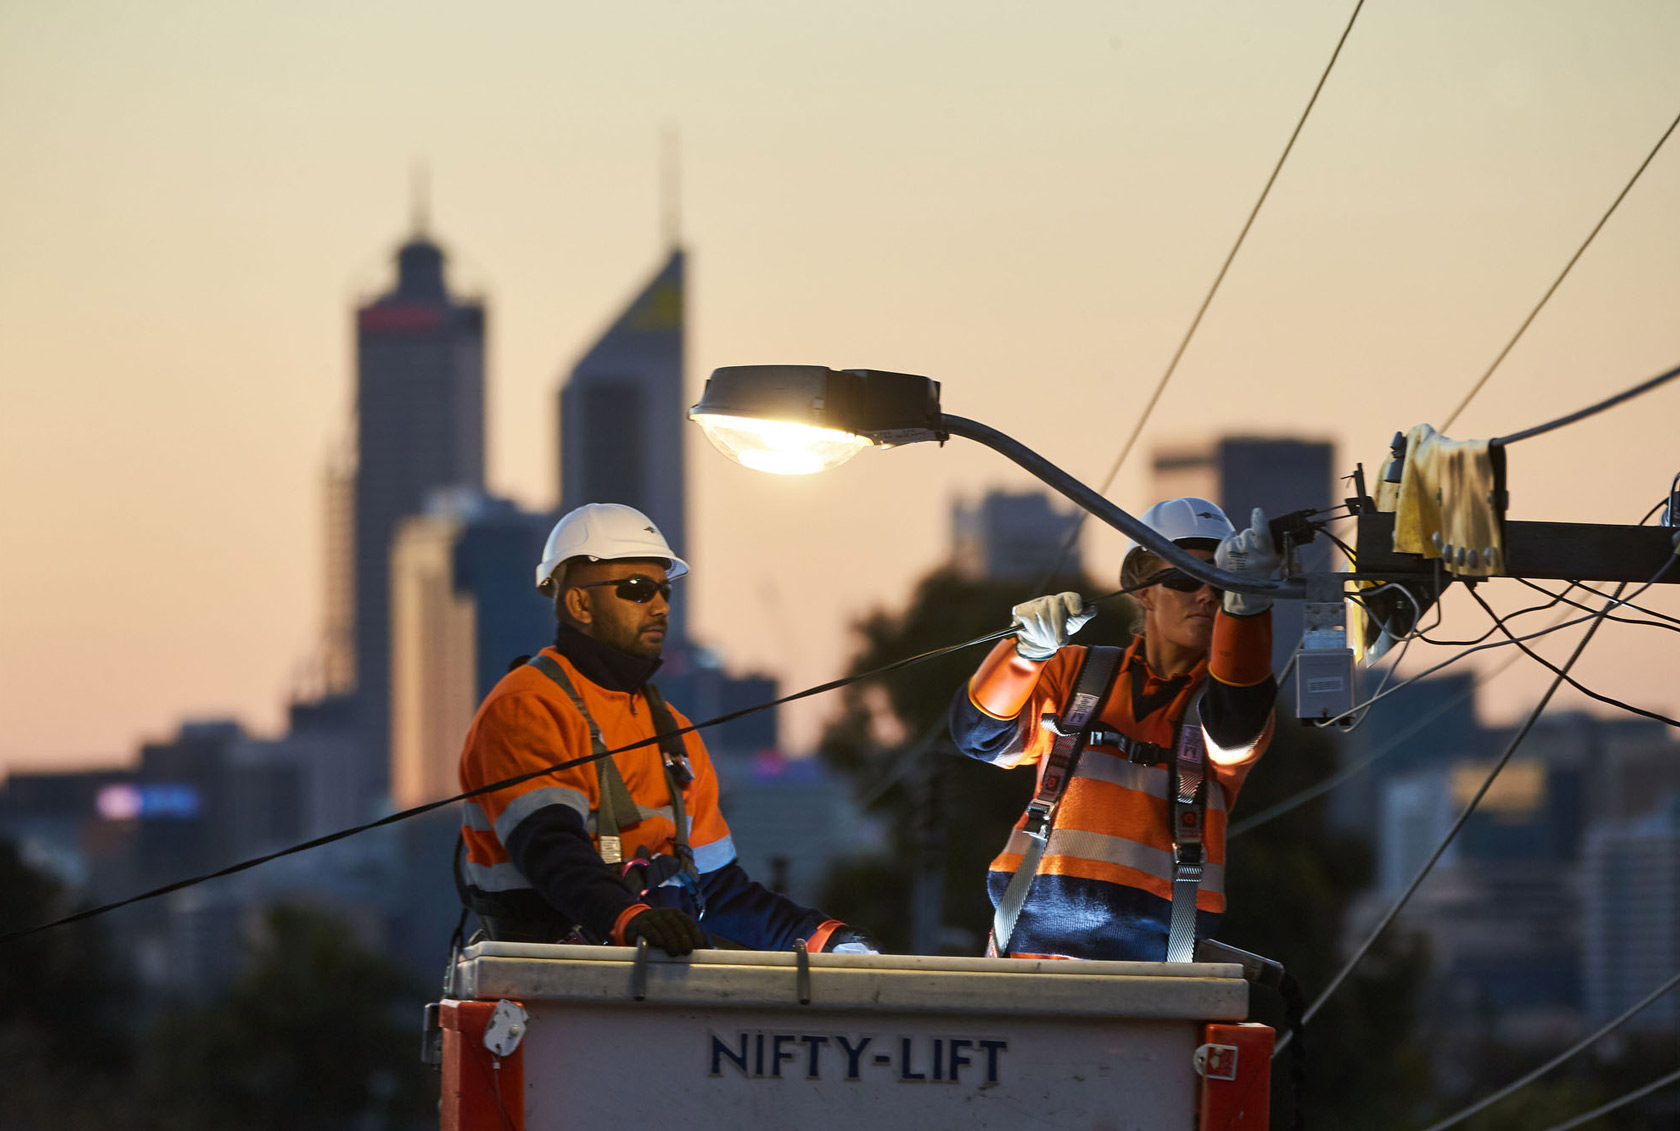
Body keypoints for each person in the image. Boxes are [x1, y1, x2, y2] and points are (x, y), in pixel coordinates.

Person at [457, 502, 876, 957]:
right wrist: (630, 919)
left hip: (646, 988)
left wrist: (827, 940)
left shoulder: (674, 732)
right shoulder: (528, 705)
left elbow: (718, 890)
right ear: (579, 602)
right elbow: (549, 846)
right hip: (543, 983)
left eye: (664, 590)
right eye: (637, 589)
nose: (659, 606)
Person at [947, 497, 1281, 961]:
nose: (1206, 595)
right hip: (1026, 956)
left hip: (1157, 970)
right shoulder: (1075, 673)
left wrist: (1247, 611)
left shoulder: (1226, 703)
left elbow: (1235, 730)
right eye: (1186, 577)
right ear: (1144, 590)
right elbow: (979, 735)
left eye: (1220, 584)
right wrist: (1022, 655)